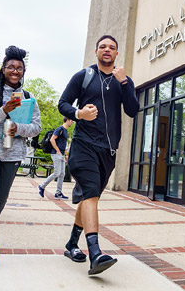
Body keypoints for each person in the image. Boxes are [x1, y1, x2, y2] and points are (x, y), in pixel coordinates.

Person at [58, 35, 139, 275]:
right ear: (96, 52)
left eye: (112, 47)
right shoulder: (84, 76)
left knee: (89, 198)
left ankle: (72, 244)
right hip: (83, 145)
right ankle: (95, 253)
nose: (107, 50)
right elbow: (62, 103)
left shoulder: (123, 80)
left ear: (116, 54)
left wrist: (125, 83)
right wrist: (79, 113)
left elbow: (133, 110)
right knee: (91, 192)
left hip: (108, 151)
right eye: (103, 46)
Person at [0, 46, 41, 268]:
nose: (15, 71)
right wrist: (4, 110)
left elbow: (36, 128)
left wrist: (16, 127)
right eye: (11, 67)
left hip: (13, 152)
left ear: (23, 71)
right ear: (3, 69)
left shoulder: (29, 98)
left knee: (0, 200)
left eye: (19, 68)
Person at [37, 117, 73, 199]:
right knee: (57, 173)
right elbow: (52, 139)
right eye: (71, 120)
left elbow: (62, 143)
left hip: (61, 154)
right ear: (67, 120)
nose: (72, 122)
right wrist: (57, 150)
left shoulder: (65, 130)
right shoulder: (60, 129)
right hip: (56, 154)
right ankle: (41, 187)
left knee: (62, 174)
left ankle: (58, 193)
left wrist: (65, 154)